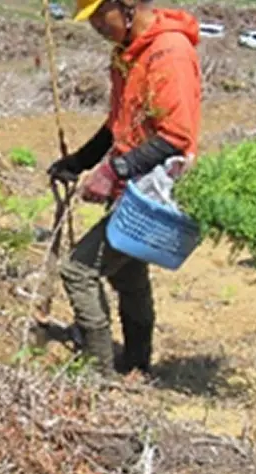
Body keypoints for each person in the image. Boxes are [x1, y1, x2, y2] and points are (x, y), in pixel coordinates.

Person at [45, 0, 201, 375]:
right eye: (92, 18)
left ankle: (99, 375)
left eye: (102, 15)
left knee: (79, 270)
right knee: (127, 272)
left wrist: (114, 171)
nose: (97, 25)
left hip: (155, 187)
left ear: (127, 6)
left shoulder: (169, 53)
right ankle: (136, 364)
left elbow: (176, 136)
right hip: (133, 183)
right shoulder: (128, 53)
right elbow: (118, 125)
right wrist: (80, 162)